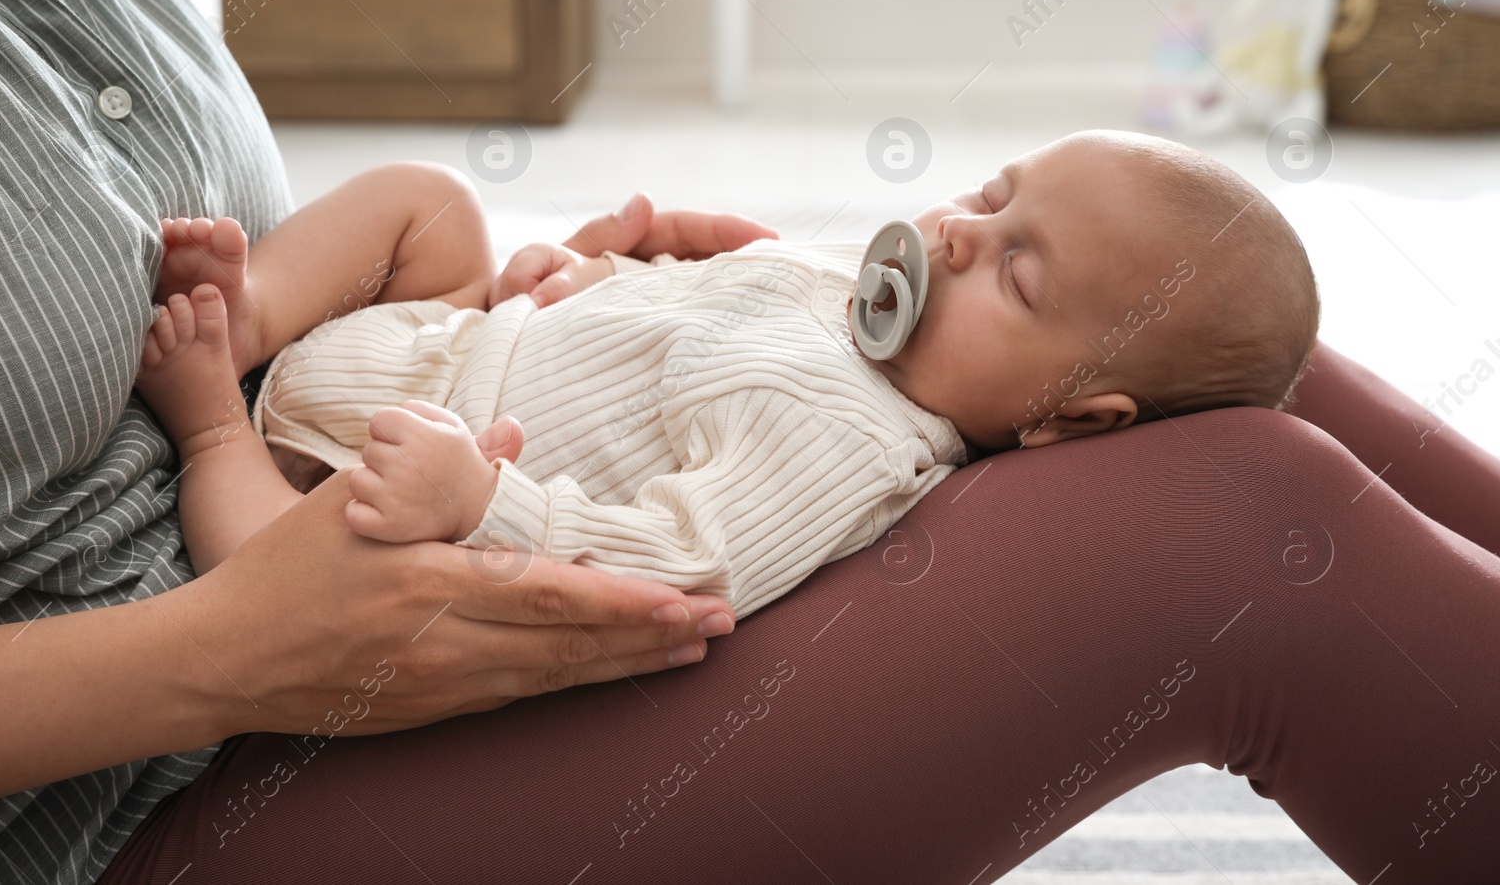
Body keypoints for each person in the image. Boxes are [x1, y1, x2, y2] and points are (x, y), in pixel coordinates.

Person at [0, 0, 1496, 884]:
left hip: (339, 437)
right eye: (985, 203)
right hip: (111, 787)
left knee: (1231, 324)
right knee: (1239, 527)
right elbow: (643, 564)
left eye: (1001, 250)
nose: (944, 234)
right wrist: (238, 643)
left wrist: (588, 314)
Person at [133, 130, 1320, 624]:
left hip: (371, 466)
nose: (953, 236)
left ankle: (209, 425)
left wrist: (478, 505)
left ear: (1067, 418)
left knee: (273, 571)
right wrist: (588, 275)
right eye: (990, 196)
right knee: (432, 201)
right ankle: (258, 314)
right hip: (452, 341)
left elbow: (679, 559)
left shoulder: (853, 444)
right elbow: (674, 321)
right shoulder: (863, 294)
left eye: (1019, 273)